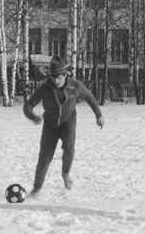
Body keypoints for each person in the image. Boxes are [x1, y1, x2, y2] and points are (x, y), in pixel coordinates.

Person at [22, 55, 104, 197]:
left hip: (68, 122)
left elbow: (89, 97)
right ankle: (36, 188)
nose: (56, 80)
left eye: (59, 77)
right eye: (53, 77)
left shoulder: (75, 85)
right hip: (50, 125)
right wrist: (33, 116)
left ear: (65, 74)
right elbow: (28, 105)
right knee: (45, 157)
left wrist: (99, 115)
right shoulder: (45, 88)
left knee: (69, 149)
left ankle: (65, 173)